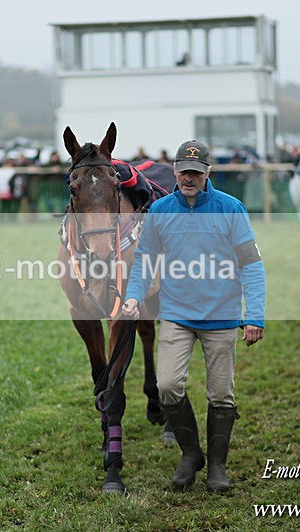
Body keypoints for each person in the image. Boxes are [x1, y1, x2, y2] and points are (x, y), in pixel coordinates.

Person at [122, 139, 266, 493]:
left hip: (222, 316)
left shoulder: (231, 208)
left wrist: (255, 316)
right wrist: (134, 296)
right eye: (184, 172)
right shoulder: (160, 211)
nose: (189, 178)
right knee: (167, 385)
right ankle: (191, 454)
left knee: (221, 395)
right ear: (174, 171)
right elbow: (144, 261)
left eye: (196, 173)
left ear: (208, 173)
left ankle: (217, 466)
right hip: (176, 314)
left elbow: (252, 265)